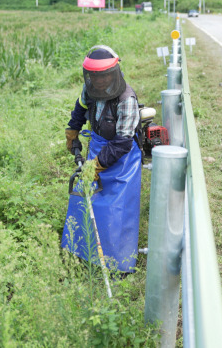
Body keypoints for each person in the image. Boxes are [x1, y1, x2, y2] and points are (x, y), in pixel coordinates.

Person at [61, 45, 142, 273]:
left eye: (104, 75)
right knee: (85, 200)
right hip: (97, 148)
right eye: (94, 76)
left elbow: (123, 142)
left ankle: (119, 265)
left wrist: (96, 165)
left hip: (122, 159)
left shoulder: (126, 99)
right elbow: (80, 108)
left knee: (117, 211)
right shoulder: (90, 90)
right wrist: (73, 130)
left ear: (114, 73)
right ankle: (85, 254)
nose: (99, 80)